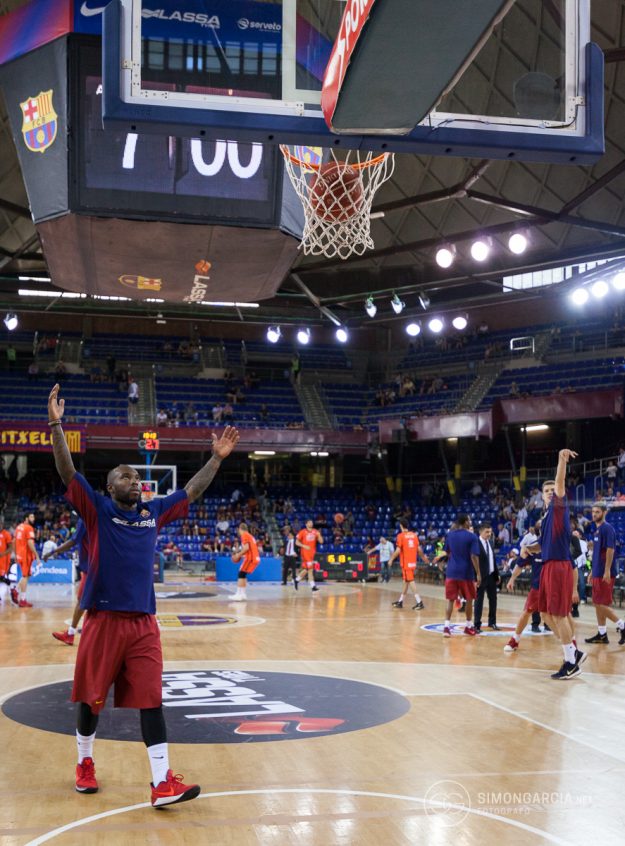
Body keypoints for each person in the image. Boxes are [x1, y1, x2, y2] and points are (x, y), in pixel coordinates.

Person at [47, 382, 239, 804]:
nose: (135, 482)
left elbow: (190, 491)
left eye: (136, 478)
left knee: (152, 699)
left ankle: (162, 782)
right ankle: (84, 761)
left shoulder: (152, 513)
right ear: (110, 486)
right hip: (103, 619)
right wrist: (56, 425)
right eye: (126, 478)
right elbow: (66, 471)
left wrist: (215, 460)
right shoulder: (96, 509)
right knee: (91, 700)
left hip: (144, 624)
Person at [529, 451, 585, 680]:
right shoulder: (546, 518)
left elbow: (560, 482)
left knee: (560, 615)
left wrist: (562, 461)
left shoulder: (559, 507)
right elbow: (541, 546)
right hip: (547, 565)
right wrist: (526, 549)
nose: (551, 492)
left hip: (559, 566)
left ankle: (570, 662)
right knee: (544, 613)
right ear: (542, 496)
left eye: (554, 490)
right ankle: (574, 653)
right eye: (547, 491)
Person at [432, 514, 480, 637]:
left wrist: (439, 558)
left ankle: (446, 627)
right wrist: (478, 573)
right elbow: (474, 556)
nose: (470, 522)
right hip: (466, 573)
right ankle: (468, 627)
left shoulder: (450, 535)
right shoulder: (472, 537)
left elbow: (446, 552)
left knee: (450, 600)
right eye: (468, 520)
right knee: (469, 600)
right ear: (464, 523)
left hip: (451, 572)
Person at [584, 503, 625, 645]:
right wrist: (591, 571)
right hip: (597, 572)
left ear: (604, 512)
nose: (594, 514)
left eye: (597, 512)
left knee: (601, 604)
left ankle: (622, 625)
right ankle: (602, 634)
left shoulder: (607, 528)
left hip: (604, 573)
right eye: (593, 512)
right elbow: (597, 553)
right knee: (598, 603)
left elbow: (610, 550)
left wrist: (607, 570)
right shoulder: (597, 530)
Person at [48, 520, 89, 646]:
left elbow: (73, 541)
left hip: (92, 568)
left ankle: (71, 634)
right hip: (95, 567)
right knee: (88, 602)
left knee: (82, 602)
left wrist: (53, 552)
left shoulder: (85, 518)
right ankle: (81, 631)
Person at [504, 540, 544, 652]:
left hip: (554, 586)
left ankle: (571, 646)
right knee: (526, 612)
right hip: (537, 587)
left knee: (559, 616)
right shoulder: (532, 547)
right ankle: (515, 640)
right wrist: (512, 579)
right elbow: (520, 565)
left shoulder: (557, 544)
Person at [388, 520, 428, 609]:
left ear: (401, 526)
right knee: (406, 582)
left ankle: (419, 602)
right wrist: (424, 558)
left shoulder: (400, 536)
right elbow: (419, 550)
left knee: (410, 581)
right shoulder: (414, 535)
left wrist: (391, 559)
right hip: (412, 562)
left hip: (406, 563)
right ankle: (400, 601)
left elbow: (398, 550)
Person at [474, 522, 500, 632]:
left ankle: (492, 622)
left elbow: (492, 560)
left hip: (491, 576)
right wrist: (476, 577)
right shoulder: (476, 543)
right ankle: (477, 625)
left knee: (493, 600)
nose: (489, 534)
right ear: (481, 532)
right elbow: (474, 561)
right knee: (479, 601)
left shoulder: (490, 542)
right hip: (481, 576)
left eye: (490, 532)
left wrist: (497, 573)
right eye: (487, 532)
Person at [13, 512, 41, 608]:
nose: (33, 518)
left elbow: (14, 541)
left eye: (34, 516)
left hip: (20, 554)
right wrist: (37, 555)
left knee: (27, 575)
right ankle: (22, 599)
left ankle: (16, 590)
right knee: (25, 576)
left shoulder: (18, 527)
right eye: (31, 516)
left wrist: (16, 554)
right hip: (26, 556)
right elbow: (30, 543)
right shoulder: (29, 528)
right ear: (26, 518)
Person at [230, 523, 260, 602]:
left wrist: (238, 555)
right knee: (243, 575)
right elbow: (250, 549)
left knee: (241, 574)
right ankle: (243, 594)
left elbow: (246, 548)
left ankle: (239, 594)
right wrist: (243, 556)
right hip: (254, 558)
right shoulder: (250, 536)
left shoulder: (244, 535)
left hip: (251, 558)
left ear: (240, 529)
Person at [296, 520, 323, 592]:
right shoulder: (302, 531)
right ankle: (313, 586)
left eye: (312, 522)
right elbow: (297, 542)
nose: (311, 523)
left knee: (306, 569)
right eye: (310, 522)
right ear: (306, 524)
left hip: (312, 553)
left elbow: (321, 541)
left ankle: (297, 580)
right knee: (310, 569)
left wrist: (319, 535)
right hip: (305, 552)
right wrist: (304, 546)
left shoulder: (315, 531)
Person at [0, 520, 13, 605]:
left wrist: (2, 554)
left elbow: (11, 548)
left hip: (2, 560)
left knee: (0, 576)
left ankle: (6, 581)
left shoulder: (6, 534)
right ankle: (6, 581)